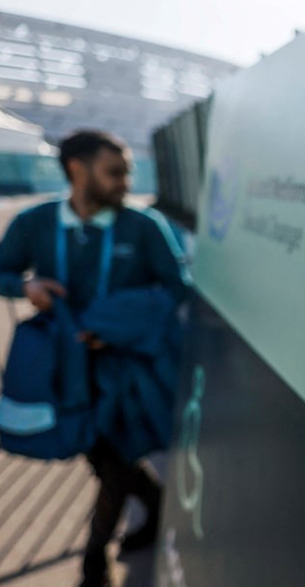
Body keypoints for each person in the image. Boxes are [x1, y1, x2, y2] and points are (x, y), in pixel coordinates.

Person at [0, 130, 190, 587]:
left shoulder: (143, 227)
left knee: (116, 457)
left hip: (124, 367)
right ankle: (156, 501)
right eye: (115, 172)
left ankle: (93, 559)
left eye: (126, 171)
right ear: (76, 171)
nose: (126, 181)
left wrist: (118, 324)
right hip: (65, 366)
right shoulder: (35, 223)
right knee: (98, 453)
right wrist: (26, 287)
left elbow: (175, 285)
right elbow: (3, 270)